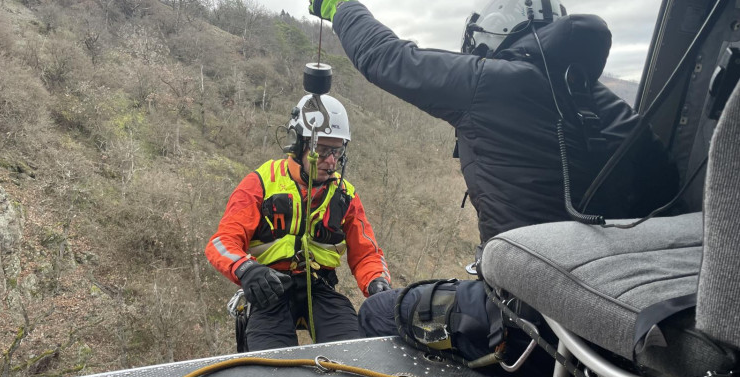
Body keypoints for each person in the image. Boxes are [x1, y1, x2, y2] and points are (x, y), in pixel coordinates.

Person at [307, 0, 678, 352]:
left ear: (491, 35)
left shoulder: (488, 82)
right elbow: (667, 192)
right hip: (634, 328)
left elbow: (386, 57)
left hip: (531, 329)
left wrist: (338, 6)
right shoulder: (618, 110)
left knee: (378, 312)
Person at [205, 94, 392, 351]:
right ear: (297, 144)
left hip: (321, 287)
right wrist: (246, 269)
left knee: (354, 355)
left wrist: (377, 282)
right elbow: (222, 241)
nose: (330, 160)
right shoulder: (261, 182)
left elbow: (366, 253)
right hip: (270, 289)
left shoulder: (345, 195)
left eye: (336, 151)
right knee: (269, 369)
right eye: (323, 150)